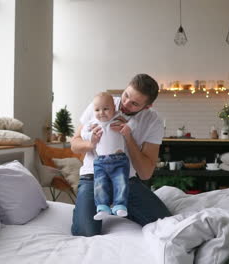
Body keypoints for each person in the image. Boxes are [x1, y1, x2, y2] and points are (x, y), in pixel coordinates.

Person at [71, 73, 172, 236]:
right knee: (85, 232)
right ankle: (107, 203)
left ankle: (117, 204)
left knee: (166, 223)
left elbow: (145, 174)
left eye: (134, 104)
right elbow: (74, 145)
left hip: (126, 179)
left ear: (146, 107)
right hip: (94, 176)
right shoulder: (102, 103)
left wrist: (128, 137)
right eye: (126, 95)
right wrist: (91, 143)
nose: (124, 104)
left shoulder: (153, 122)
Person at [81, 92, 135, 220]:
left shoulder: (119, 118)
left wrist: (127, 127)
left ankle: (120, 205)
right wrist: (91, 136)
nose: (101, 113)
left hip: (119, 160)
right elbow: (83, 133)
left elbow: (134, 124)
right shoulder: (93, 123)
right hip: (100, 161)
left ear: (114, 108)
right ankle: (102, 207)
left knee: (121, 182)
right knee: (100, 184)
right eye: (97, 110)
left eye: (106, 109)